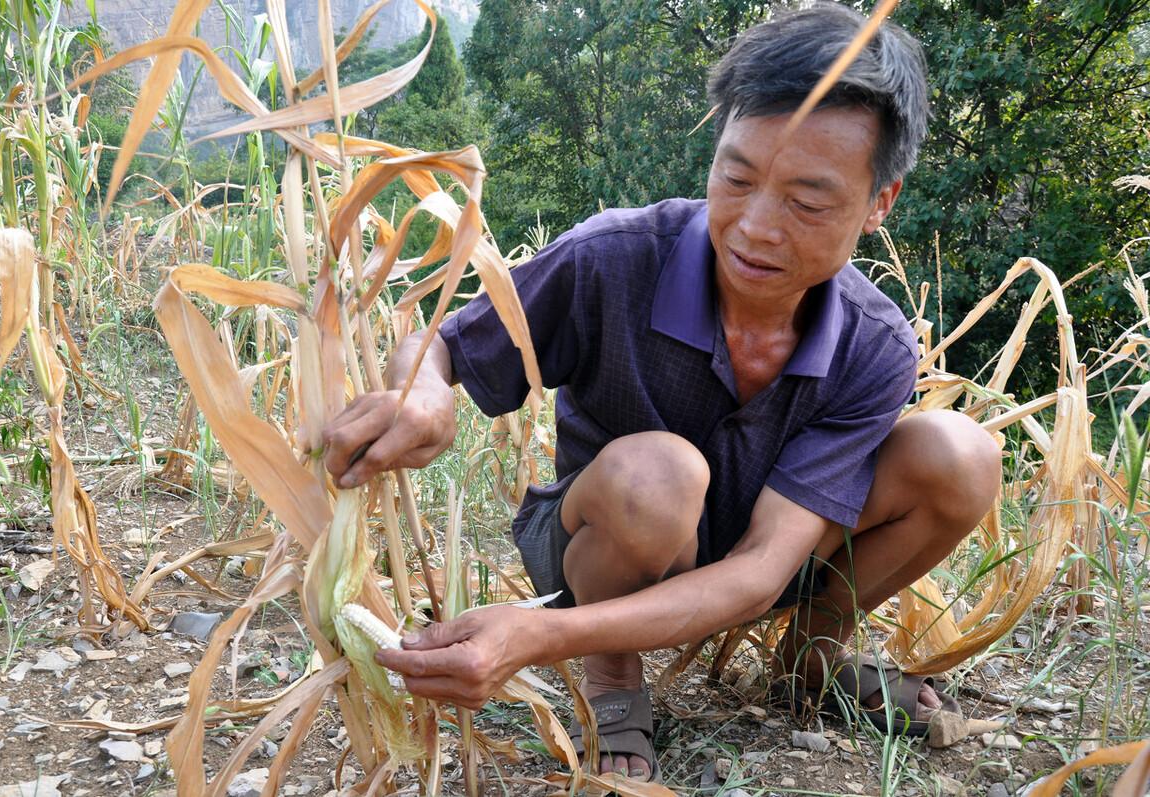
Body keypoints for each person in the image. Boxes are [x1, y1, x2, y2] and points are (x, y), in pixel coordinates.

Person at [323, 1, 1001, 783]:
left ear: (880, 202)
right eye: (736, 177)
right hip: (605, 541)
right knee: (659, 476)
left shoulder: (873, 344)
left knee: (963, 455)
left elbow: (759, 570)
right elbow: (445, 344)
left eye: (807, 203)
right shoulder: (615, 257)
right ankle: (614, 675)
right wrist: (423, 393)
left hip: (759, 558)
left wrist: (533, 641)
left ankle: (812, 656)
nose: (754, 226)